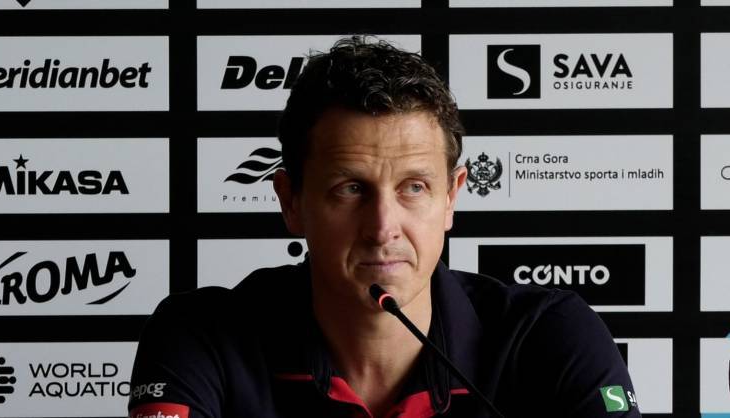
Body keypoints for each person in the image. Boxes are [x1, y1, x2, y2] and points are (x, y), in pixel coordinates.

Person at [128, 36, 641, 418]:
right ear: (291, 202)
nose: (382, 228)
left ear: (451, 197)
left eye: (413, 187)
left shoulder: (551, 334)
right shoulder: (201, 335)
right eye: (351, 188)